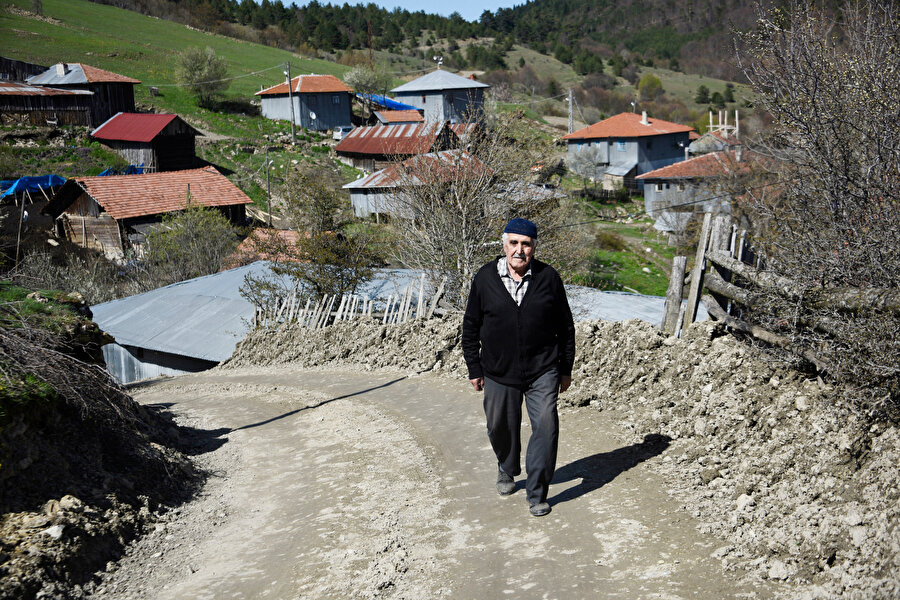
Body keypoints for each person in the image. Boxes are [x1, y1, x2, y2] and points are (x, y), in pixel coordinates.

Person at [462, 218, 575, 517]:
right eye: (514, 243)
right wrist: (474, 367)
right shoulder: (485, 278)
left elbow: (565, 327)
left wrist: (565, 368)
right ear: (504, 244)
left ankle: (537, 492)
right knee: (499, 425)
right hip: (498, 370)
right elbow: (471, 324)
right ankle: (507, 467)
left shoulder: (549, 278)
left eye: (526, 244)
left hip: (543, 369)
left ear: (534, 247)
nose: (519, 250)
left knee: (547, 426)